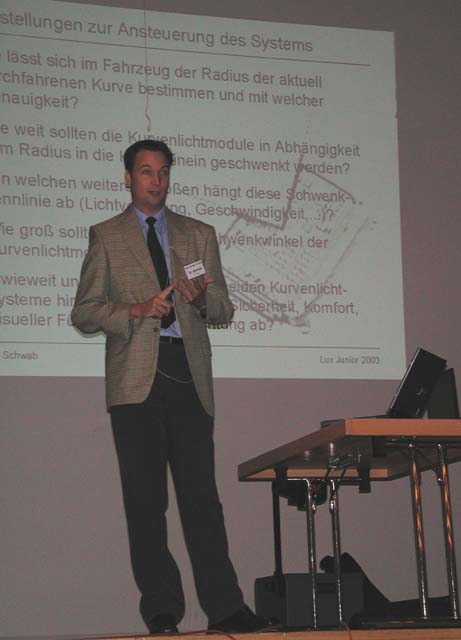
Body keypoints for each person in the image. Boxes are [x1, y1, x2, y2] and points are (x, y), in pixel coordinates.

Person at [71, 140, 270, 634]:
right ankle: (161, 610)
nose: (156, 181)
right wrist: (135, 310)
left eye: (162, 172)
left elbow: (223, 309)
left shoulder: (199, 235)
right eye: (146, 172)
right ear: (128, 178)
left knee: (202, 500)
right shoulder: (106, 235)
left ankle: (226, 608)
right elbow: (85, 312)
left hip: (187, 372)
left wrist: (201, 300)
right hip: (134, 380)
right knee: (145, 502)